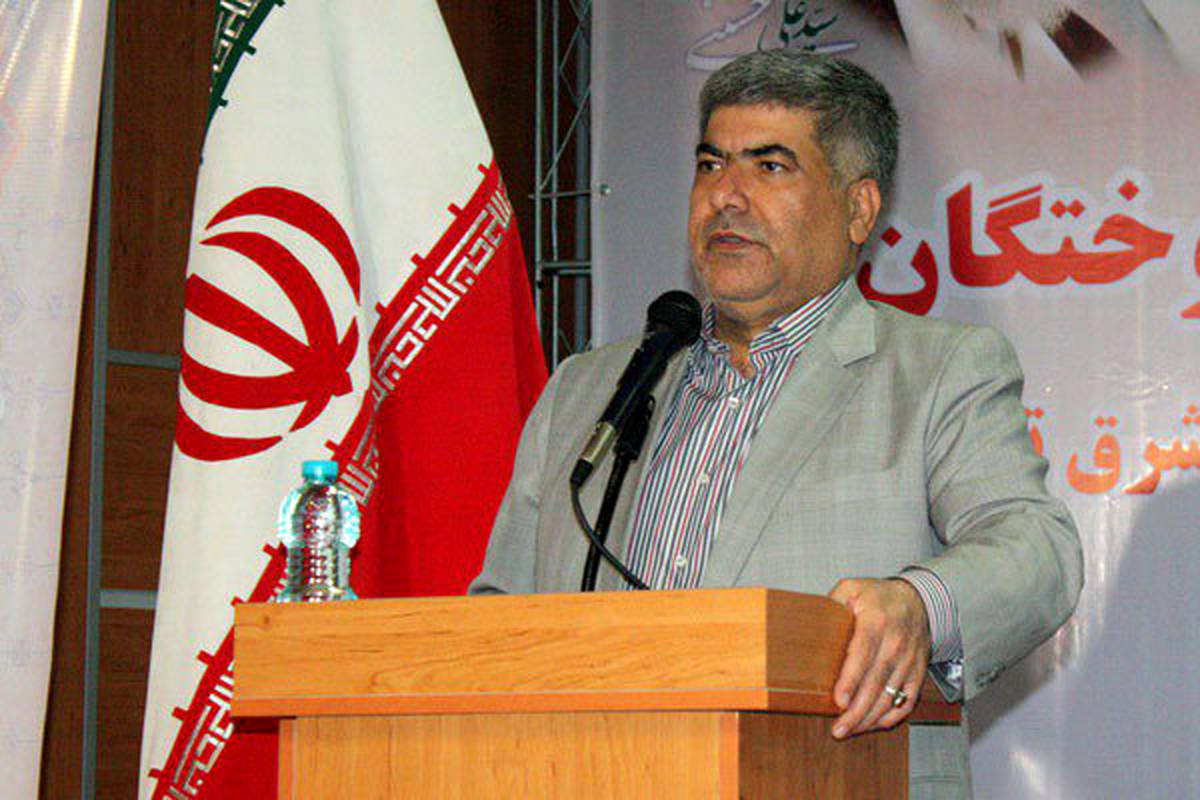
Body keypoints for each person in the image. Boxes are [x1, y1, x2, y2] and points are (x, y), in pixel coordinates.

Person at [470, 49, 1082, 799]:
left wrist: (919, 605)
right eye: (710, 164)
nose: (725, 196)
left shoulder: (937, 371)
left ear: (859, 210)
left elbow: (1036, 548)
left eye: (770, 167)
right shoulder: (586, 389)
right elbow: (496, 618)